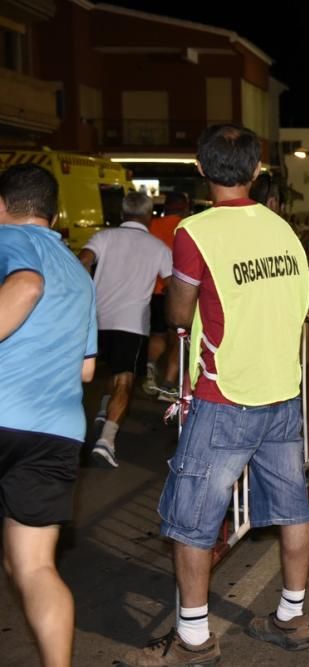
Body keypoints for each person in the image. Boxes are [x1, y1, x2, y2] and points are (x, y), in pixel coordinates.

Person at [121, 125, 309, 665]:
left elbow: (179, 312)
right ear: (256, 172)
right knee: (294, 509)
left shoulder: (195, 231)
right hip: (283, 391)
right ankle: (292, 616)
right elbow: (301, 302)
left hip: (225, 392)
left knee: (193, 521)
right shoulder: (284, 231)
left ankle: (194, 639)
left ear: (200, 170)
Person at [0, 164, 97, 667]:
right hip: (55, 430)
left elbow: (26, 285)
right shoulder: (79, 271)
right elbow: (86, 369)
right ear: (55, 213)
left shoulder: (5, 238)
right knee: (35, 568)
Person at [79, 191, 172, 469]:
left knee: (99, 374)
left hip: (96, 319)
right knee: (125, 380)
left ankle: (100, 412)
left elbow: (82, 260)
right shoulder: (157, 247)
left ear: (123, 213)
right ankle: (106, 442)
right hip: (131, 323)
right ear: (148, 217)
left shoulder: (103, 238)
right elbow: (172, 285)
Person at [144, 191, 190, 402]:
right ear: (184, 208)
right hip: (174, 290)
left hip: (150, 290)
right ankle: (169, 386)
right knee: (178, 340)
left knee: (157, 335)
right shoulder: (187, 226)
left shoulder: (151, 225)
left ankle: (151, 368)